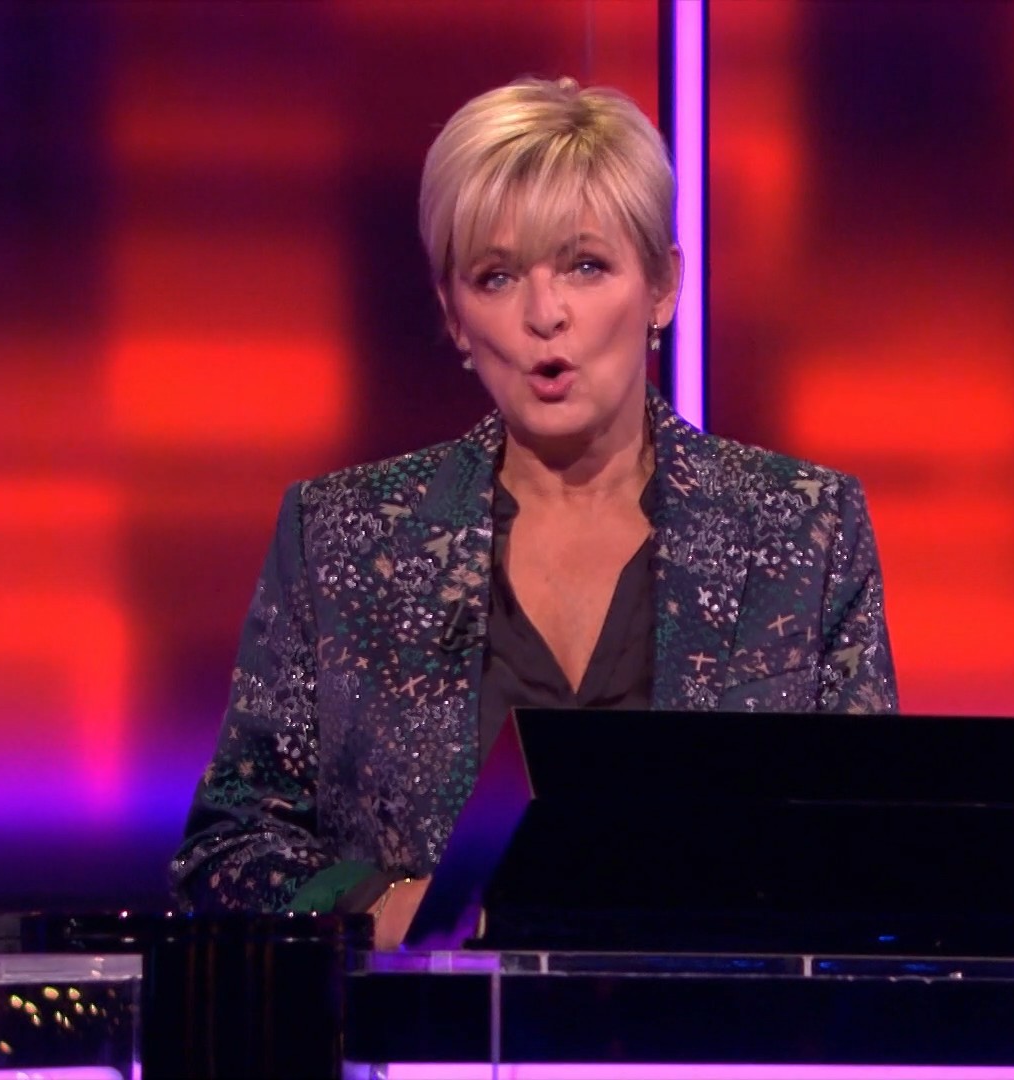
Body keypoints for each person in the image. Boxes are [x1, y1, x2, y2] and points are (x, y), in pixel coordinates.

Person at [170, 76, 897, 949]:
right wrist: (390, 910)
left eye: (586, 266)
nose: (544, 316)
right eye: (497, 276)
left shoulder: (803, 529)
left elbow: (873, 852)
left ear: (664, 286)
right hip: (431, 1025)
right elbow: (230, 849)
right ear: (453, 312)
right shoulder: (343, 537)